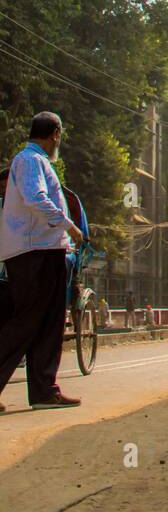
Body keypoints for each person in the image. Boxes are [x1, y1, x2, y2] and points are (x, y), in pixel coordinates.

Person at [0, 112, 84, 412]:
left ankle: (43, 391)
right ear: (55, 134)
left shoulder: (31, 162)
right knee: (27, 322)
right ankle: (44, 390)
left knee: (46, 324)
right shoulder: (31, 161)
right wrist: (69, 226)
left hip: (39, 251)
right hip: (36, 253)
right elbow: (36, 199)